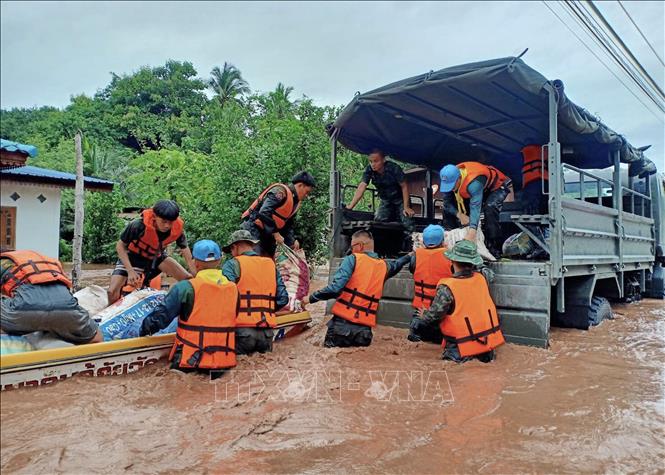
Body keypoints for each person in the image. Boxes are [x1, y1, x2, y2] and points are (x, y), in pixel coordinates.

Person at [139, 240, 238, 374]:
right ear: (219, 261)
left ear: (195, 262)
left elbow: (161, 317)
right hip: (224, 362)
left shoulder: (186, 288)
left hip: (191, 362)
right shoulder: (233, 288)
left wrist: (143, 330)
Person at [302, 230, 410, 348]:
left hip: (341, 327)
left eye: (352, 246)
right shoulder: (384, 266)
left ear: (360, 246)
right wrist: (409, 256)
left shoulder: (352, 259)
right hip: (364, 333)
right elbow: (397, 264)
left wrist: (310, 298)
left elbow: (335, 288)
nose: (351, 250)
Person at [413, 240, 505, 363]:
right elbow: (488, 272)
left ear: (452, 261)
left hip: (459, 351)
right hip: (486, 350)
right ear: (473, 262)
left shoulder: (447, 288)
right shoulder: (483, 277)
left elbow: (433, 317)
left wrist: (424, 316)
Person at [1, 250, 102, 344]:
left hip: (24, 311)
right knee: (97, 336)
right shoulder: (45, 260)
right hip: (67, 310)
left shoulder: (3, 263)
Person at [108, 200, 196, 304]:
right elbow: (120, 246)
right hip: (132, 257)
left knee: (189, 279)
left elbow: (187, 255)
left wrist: (196, 275)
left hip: (156, 257)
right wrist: (130, 271)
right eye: (164, 221)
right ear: (154, 216)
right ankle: (112, 311)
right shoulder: (137, 226)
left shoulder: (178, 230)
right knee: (111, 291)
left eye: (170, 222)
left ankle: (185, 307)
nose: (167, 226)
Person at [221, 230, 289, 355]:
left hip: (241, 332)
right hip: (267, 334)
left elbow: (224, 297)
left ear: (234, 247)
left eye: (231, 250)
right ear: (251, 245)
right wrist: (265, 310)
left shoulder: (232, 264)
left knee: (238, 373)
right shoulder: (270, 265)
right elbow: (283, 298)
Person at [439, 162, 512, 259]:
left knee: (490, 207)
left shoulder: (474, 182)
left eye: (452, 185)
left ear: (459, 178)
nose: (450, 188)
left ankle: (494, 246)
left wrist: (471, 233)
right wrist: (460, 215)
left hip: (496, 186)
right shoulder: (448, 178)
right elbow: (447, 203)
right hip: (470, 189)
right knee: (447, 210)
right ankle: (451, 244)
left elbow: (475, 206)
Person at [241, 171, 316, 257]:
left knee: (269, 262)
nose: (307, 195)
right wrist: (276, 234)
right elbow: (264, 212)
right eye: (307, 192)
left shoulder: (295, 203)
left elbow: (287, 225)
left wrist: (292, 242)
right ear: (300, 185)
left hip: (268, 233)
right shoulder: (280, 192)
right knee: (255, 260)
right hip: (253, 229)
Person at [345, 149, 415, 232]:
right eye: (371, 161)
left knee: (407, 220)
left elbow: (404, 186)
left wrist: (406, 207)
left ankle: (412, 241)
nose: (373, 164)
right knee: (378, 221)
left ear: (383, 160)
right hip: (386, 200)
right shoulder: (369, 170)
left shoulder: (394, 168)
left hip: (401, 200)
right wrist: (350, 206)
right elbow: (362, 186)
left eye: (375, 161)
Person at [407, 225, 453, 343]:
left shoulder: (416, 256)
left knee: (418, 334)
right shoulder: (451, 256)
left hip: (420, 315)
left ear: (424, 241)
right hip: (442, 315)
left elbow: (413, 269)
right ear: (443, 241)